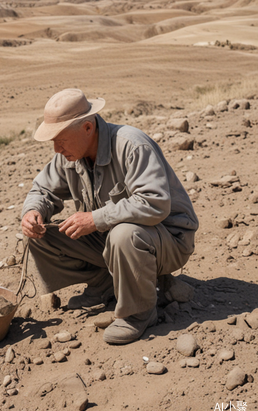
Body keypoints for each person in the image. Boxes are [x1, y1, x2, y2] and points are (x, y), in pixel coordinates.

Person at [21, 88, 199, 344]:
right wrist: (33, 211)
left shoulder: (131, 145)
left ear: (87, 128)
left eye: (61, 138)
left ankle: (138, 313)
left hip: (168, 240)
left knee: (123, 234)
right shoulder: (69, 155)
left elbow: (155, 203)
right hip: (113, 241)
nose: (56, 148)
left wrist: (94, 218)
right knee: (43, 236)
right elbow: (42, 189)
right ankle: (105, 283)